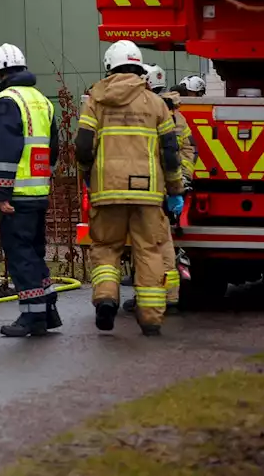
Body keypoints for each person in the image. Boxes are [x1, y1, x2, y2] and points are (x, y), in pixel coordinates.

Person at [77, 40, 182, 336]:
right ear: (139, 67)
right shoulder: (157, 103)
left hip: (107, 190)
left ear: (109, 66)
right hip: (148, 194)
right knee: (148, 250)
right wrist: (174, 189)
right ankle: (150, 319)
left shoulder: (95, 100)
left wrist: (88, 175)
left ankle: (106, 299)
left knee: (106, 247)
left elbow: (84, 146)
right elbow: (170, 151)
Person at [0, 44, 60, 337]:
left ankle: (32, 317)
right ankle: (47, 310)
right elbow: (54, 148)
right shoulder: (41, 100)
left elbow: (6, 149)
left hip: (16, 195)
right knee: (36, 253)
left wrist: (3, 193)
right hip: (38, 191)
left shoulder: (6, 101)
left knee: (20, 255)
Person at [121, 64, 195, 313]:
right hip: (167, 189)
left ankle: (148, 297)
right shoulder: (174, 113)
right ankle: (171, 297)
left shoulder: (148, 110)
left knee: (144, 247)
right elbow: (186, 150)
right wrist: (181, 182)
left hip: (148, 188)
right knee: (165, 244)